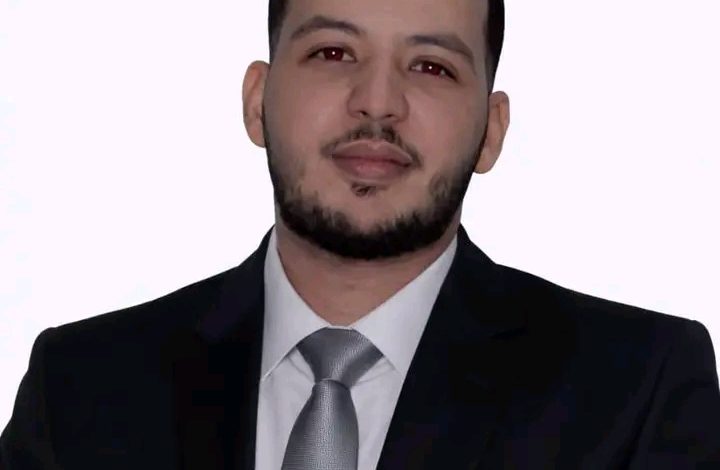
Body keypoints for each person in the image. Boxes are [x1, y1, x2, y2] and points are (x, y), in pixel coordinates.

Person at [2, 0, 719, 468]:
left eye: (431, 66)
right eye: (333, 53)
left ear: (490, 131)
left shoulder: (637, 390)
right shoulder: (80, 389)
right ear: (257, 100)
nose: (378, 102)